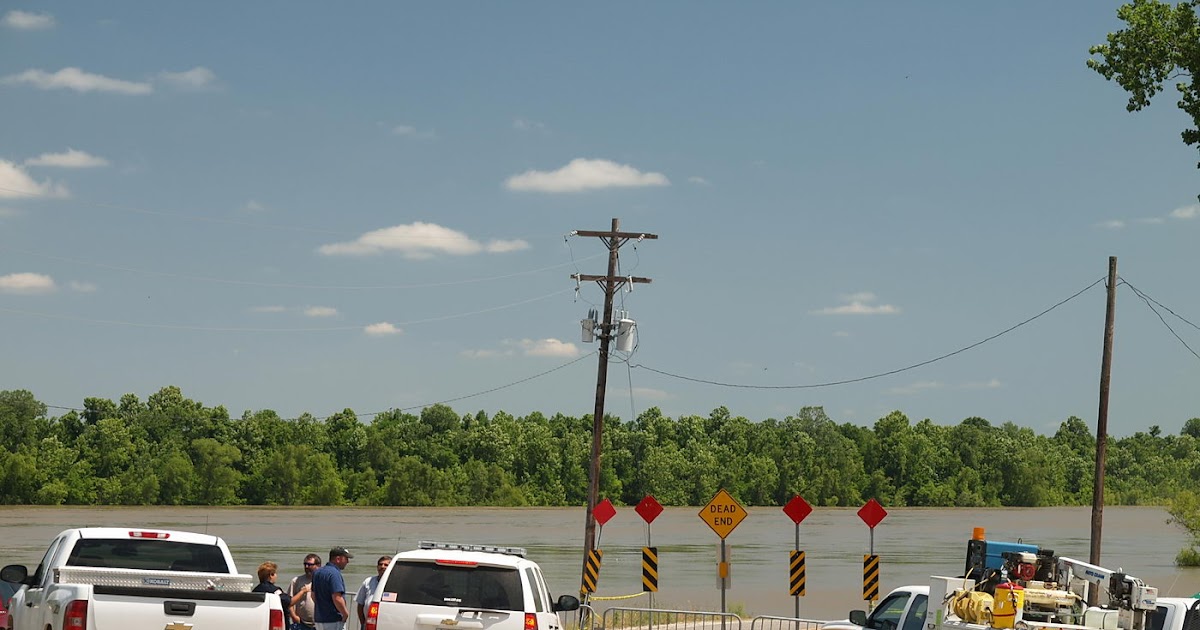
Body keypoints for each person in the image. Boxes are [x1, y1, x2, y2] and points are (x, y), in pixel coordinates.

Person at [312, 546, 353, 630]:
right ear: (338, 559)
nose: (348, 562)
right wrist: (345, 614)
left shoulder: (317, 572)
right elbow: (337, 598)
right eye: (346, 558)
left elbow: (313, 595)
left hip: (319, 619)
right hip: (333, 620)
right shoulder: (334, 574)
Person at [288, 553, 322, 630]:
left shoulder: (323, 580)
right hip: (301, 624)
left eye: (309, 564)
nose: (306, 567)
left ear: (318, 565)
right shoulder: (296, 581)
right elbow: (289, 602)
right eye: (305, 564)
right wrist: (294, 616)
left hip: (320, 623)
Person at [355, 555, 392, 626]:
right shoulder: (368, 581)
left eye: (386, 565)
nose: (382, 566)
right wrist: (363, 623)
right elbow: (360, 605)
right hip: (368, 624)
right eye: (380, 564)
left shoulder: (394, 583)